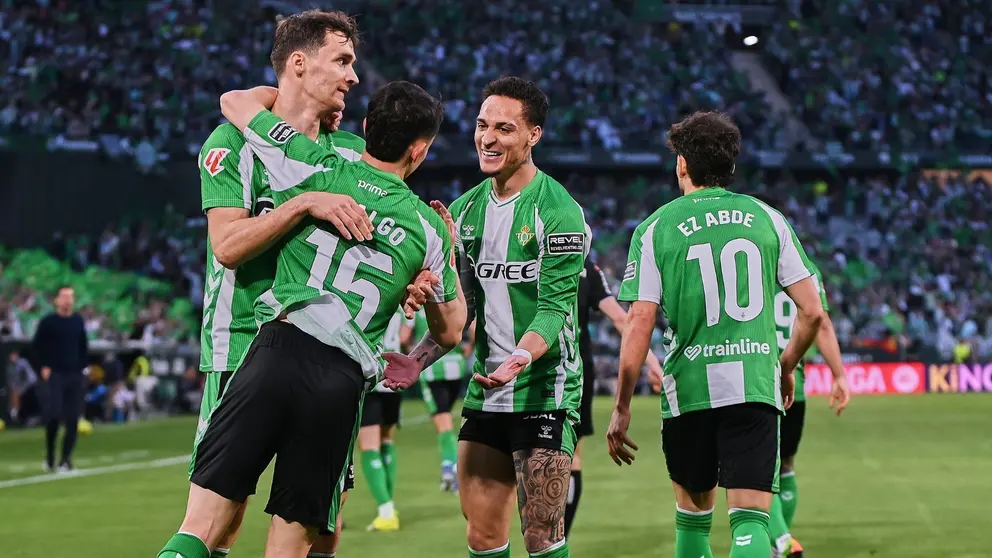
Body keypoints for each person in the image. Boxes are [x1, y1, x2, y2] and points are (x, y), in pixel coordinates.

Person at [158, 80, 466, 558]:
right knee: (293, 545)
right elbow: (449, 329)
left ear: (365, 128)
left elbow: (234, 103)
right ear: (420, 149)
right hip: (340, 381)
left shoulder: (314, 165)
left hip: (274, 351)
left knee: (202, 524)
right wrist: (445, 261)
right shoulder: (428, 228)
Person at [190, 11, 375, 558]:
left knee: (322, 524)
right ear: (299, 64)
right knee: (219, 520)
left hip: (325, 353)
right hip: (242, 340)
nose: (353, 77)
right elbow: (227, 246)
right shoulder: (232, 143)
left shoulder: (346, 156)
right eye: (341, 61)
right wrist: (301, 204)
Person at [382, 76, 586, 558]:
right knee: (482, 536)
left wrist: (518, 358)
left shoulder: (559, 213)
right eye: (481, 125)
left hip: (545, 391)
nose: (488, 138)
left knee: (542, 539)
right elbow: (462, 310)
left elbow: (556, 308)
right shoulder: (464, 212)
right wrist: (419, 358)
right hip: (486, 393)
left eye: (504, 128)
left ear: (533, 135)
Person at [606, 111, 825, 558]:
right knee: (750, 525)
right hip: (753, 386)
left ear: (682, 164)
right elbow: (813, 312)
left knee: (692, 522)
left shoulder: (655, 228)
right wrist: (785, 366)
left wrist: (623, 404)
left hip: (689, 391)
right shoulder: (768, 218)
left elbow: (639, 324)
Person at [564, 224, 664, 537]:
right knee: (570, 459)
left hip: (529, 367)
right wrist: (653, 362)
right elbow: (622, 319)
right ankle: (557, 540)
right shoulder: (586, 270)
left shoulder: (529, 265)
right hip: (573, 372)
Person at [767, 258, 851, 557]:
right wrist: (839, 375)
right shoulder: (806, 268)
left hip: (754, 379)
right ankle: (780, 541)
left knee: (757, 471)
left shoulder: (747, 258)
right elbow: (822, 323)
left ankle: (780, 540)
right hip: (795, 385)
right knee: (786, 465)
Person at [405, 309, 471, 492]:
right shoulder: (452, 304)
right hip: (457, 366)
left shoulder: (416, 309)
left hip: (433, 369)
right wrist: (469, 348)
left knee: (443, 423)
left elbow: (403, 337)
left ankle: (451, 469)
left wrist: (410, 356)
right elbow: (472, 328)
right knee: (447, 418)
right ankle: (452, 467)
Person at [359, 308, 411, 532]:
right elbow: (404, 337)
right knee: (386, 440)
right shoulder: (399, 301)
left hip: (372, 374)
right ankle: (390, 506)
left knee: (368, 444)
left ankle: (386, 511)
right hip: (394, 375)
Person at [31, 285, 88, 472]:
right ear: (56, 300)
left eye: (70, 296)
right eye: (64, 296)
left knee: (73, 418)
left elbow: (83, 346)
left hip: (74, 375)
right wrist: (42, 367)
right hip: (55, 374)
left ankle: (65, 459)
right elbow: (36, 348)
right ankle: (49, 457)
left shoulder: (77, 321)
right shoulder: (48, 322)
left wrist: (82, 367)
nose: (68, 300)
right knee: (54, 414)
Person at [7, 350, 40, 427]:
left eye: (14, 354)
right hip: (18, 388)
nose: (12, 357)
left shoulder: (22, 363)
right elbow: (11, 381)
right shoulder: (9, 366)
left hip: (30, 386)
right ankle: (15, 417)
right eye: (11, 355)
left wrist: (21, 389)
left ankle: (29, 418)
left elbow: (30, 379)